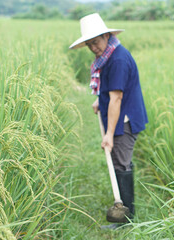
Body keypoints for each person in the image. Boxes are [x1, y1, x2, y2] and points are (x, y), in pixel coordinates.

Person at [69, 13, 148, 221]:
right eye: (89, 45)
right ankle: (125, 209)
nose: (93, 48)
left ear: (106, 35)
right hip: (119, 115)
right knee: (119, 162)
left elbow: (117, 98)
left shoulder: (118, 59)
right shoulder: (109, 56)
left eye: (95, 42)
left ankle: (125, 218)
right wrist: (99, 101)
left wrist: (109, 135)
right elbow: (110, 91)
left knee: (121, 164)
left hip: (125, 120)